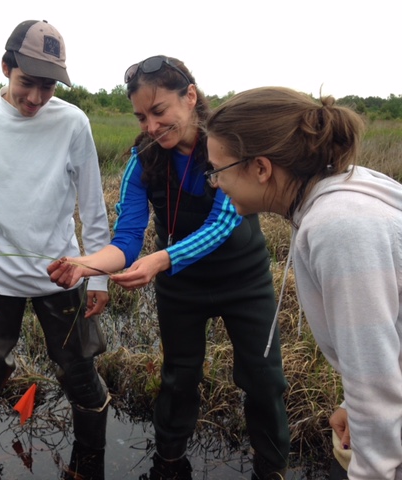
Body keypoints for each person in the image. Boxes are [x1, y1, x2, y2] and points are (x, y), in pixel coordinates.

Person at [48, 56, 290, 479]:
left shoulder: (228, 148)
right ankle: (169, 463)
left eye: (159, 112)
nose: (151, 126)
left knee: (264, 381)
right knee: (179, 377)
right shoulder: (142, 161)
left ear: (190, 97)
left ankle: (272, 470)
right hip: (181, 287)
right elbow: (125, 241)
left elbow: (222, 223)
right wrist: (84, 264)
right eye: (142, 117)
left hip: (245, 280)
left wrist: (161, 259)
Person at [204, 86, 402, 479]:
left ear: (260, 168)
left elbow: (375, 378)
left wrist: (372, 469)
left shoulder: (339, 227)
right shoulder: (346, 190)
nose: (215, 183)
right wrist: (353, 404)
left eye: (218, 171)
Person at [0, 20, 111, 479]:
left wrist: (96, 275)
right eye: (27, 83)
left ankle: (90, 462)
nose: (36, 98)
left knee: (79, 371)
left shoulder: (73, 121)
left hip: (62, 273)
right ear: (5, 67)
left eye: (48, 86)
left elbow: (92, 206)